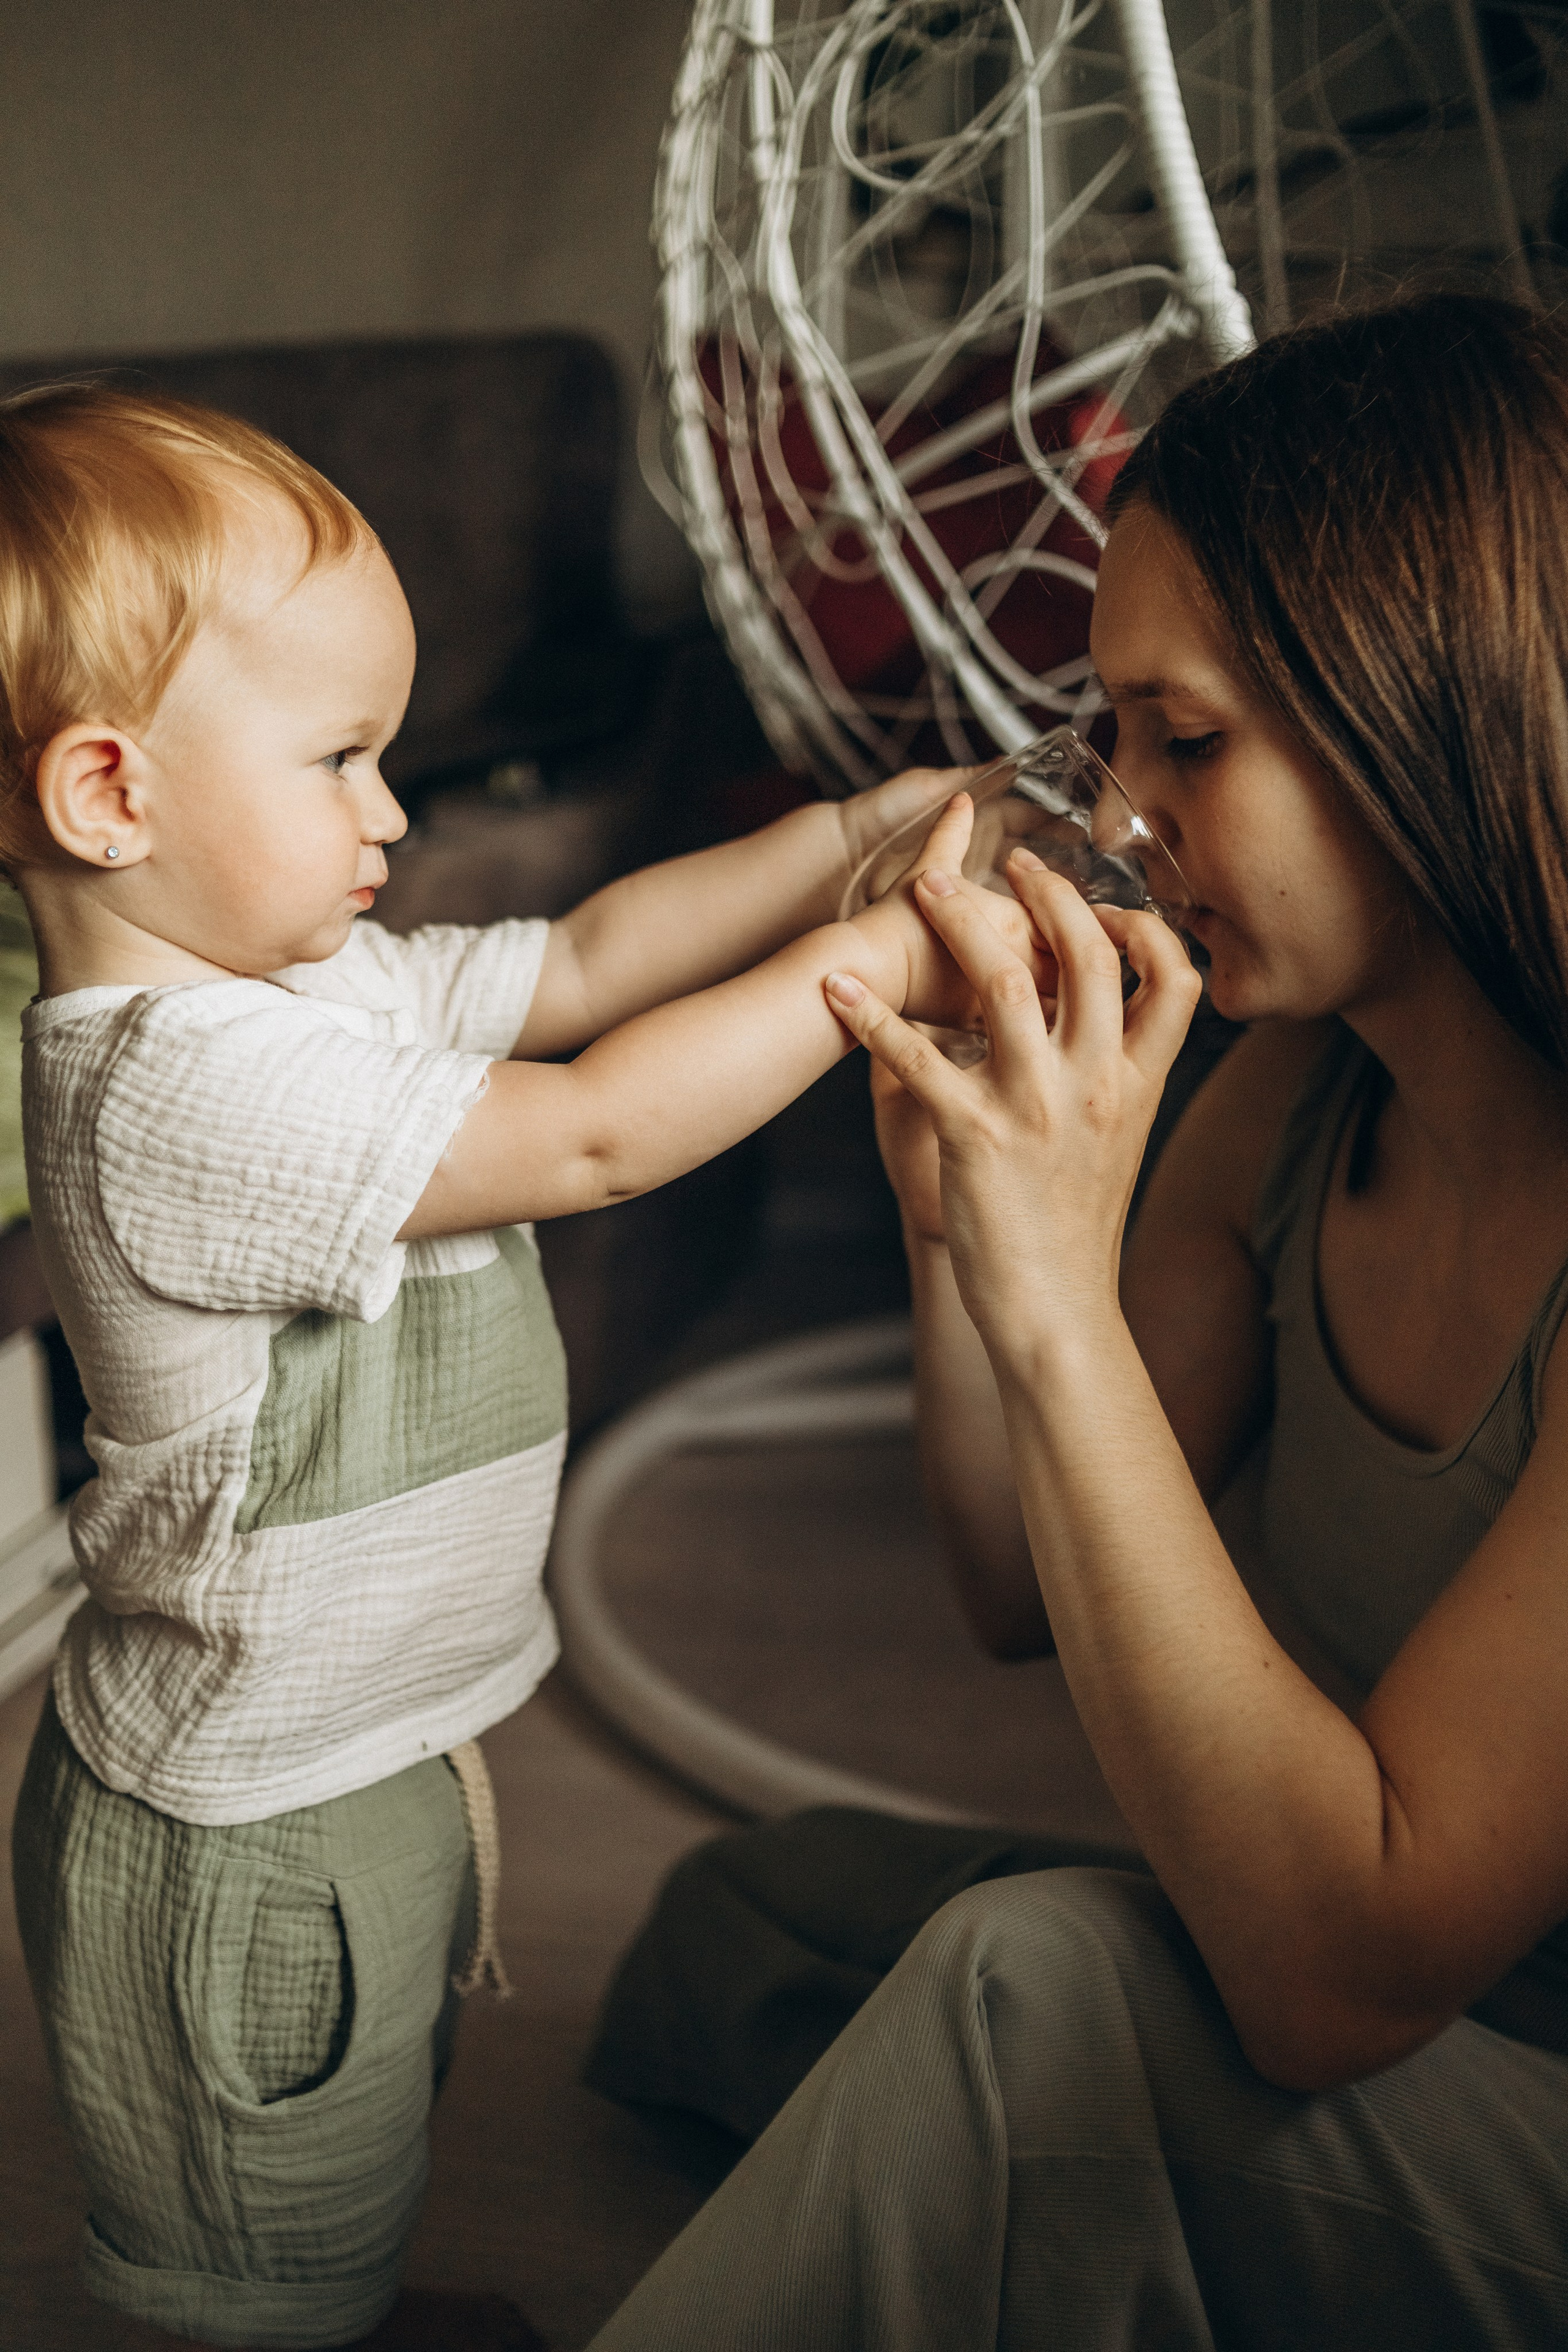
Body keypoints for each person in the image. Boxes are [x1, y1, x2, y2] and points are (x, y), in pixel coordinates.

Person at [2, 383, 1035, 2352]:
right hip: (243, 1833)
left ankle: (352, 2300)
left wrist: (841, 842)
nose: (392, 812)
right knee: (252, 2254)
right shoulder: (166, 1094)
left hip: (350, 1755)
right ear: (110, 798)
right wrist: (878, 971)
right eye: (343, 757)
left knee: (359, 2153)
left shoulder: (304, 988)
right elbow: (592, 1129)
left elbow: (577, 967)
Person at [581, 292, 1568, 2348]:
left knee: (1027, 2002)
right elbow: (1016, 1583)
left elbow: (1334, 1971)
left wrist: (1057, 1295)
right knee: (740, 1925)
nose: (1120, 816)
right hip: (1372, 2026)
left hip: (1493, 2080)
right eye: (1109, 734)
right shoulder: (1314, 1092)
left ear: (1438, 710)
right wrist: (966, 1238)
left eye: (1184, 738)